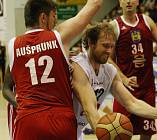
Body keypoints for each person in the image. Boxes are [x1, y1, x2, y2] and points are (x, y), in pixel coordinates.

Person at [2, 0, 103, 140]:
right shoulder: (59, 36)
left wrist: (23, 105)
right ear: (43, 18)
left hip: (28, 120)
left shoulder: (12, 46)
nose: (55, 21)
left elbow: (6, 88)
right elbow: (95, 4)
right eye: (54, 16)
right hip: (60, 120)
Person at [71, 22, 157, 140]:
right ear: (91, 43)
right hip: (60, 127)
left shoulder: (109, 70)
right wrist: (106, 134)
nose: (109, 51)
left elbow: (131, 103)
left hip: (78, 130)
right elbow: (89, 110)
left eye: (111, 46)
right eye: (105, 46)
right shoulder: (79, 66)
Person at [108, 0, 157, 140]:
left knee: (147, 133)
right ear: (120, 3)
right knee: (121, 133)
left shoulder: (147, 21)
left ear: (137, 2)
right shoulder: (114, 26)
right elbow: (109, 59)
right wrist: (123, 78)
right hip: (124, 89)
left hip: (147, 87)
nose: (128, 1)